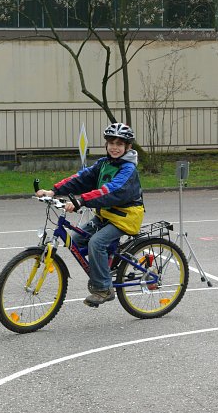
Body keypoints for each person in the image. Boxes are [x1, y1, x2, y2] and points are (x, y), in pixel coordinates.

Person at [35, 122, 144, 307]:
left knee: (96, 243)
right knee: (75, 241)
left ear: (128, 147)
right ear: (106, 144)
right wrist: (53, 191)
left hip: (125, 217)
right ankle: (104, 268)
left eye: (119, 144)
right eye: (111, 143)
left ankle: (104, 288)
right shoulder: (103, 163)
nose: (114, 147)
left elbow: (111, 189)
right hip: (105, 215)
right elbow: (81, 178)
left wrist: (82, 200)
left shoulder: (128, 169)